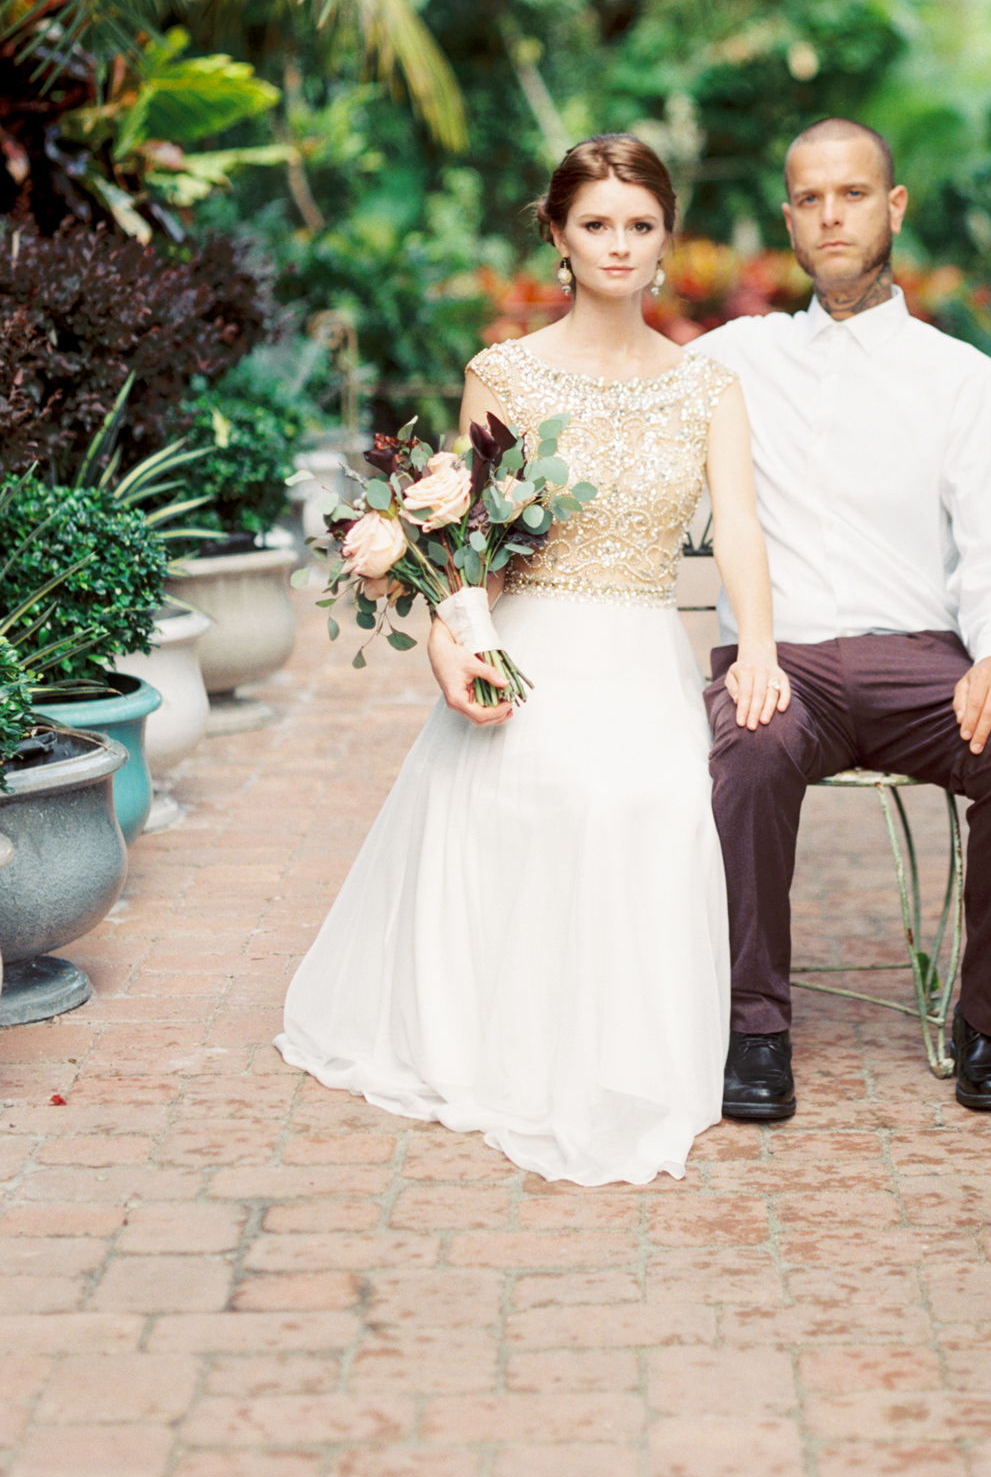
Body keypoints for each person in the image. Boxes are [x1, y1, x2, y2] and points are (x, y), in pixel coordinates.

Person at [278, 135, 788, 1186]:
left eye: (638, 223)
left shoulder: (710, 386)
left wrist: (760, 649)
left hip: (643, 644)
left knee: (647, 801)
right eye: (595, 222)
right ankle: (505, 1041)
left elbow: (737, 528)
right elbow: (474, 549)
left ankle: (629, 1055)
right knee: (546, 784)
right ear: (556, 236)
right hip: (535, 638)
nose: (618, 243)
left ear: (664, 239)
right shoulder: (502, 373)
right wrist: (445, 637)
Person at [687, 118, 991, 1122]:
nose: (830, 215)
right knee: (750, 753)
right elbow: (623, 427)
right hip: (784, 662)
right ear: (787, 221)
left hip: (920, 667)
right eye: (809, 198)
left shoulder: (962, 379)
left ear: (892, 207)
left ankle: (988, 1019)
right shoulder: (731, 360)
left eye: (851, 193)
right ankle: (754, 1026)